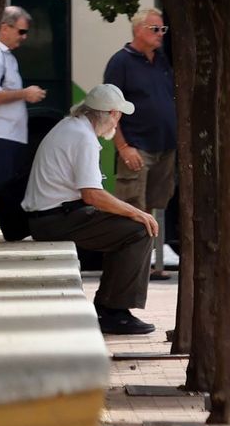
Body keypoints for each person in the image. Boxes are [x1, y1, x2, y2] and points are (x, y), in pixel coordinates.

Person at [22, 84, 158, 335]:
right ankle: (114, 311)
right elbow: (92, 194)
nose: (118, 121)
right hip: (57, 220)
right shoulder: (83, 137)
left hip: (51, 217)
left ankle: (109, 306)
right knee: (139, 230)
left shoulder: (70, 126)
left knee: (127, 228)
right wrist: (136, 212)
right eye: (118, 115)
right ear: (110, 114)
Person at [102, 8, 177, 266]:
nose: (160, 35)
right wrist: (123, 147)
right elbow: (110, 110)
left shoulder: (163, 61)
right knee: (132, 208)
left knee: (156, 206)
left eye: (162, 30)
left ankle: (151, 263)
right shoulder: (120, 62)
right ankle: (128, 264)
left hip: (165, 148)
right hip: (136, 147)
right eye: (155, 29)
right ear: (138, 30)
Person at [0, 6, 46, 199]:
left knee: (5, 188)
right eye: (21, 31)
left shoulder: (8, 57)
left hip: (12, 135)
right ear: (4, 28)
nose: (24, 37)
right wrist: (25, 94)